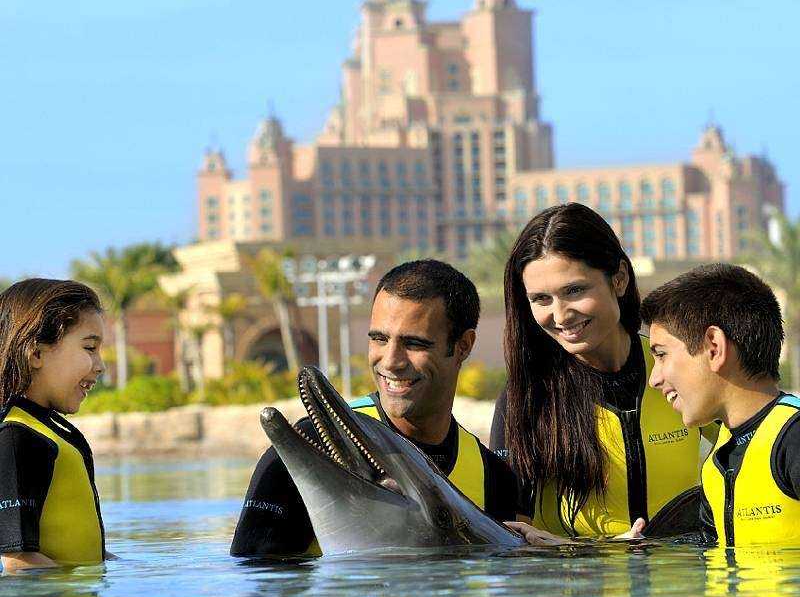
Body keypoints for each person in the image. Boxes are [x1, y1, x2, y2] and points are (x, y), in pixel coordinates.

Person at [231, 259, 520, 557]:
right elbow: (261, 584)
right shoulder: (313, 444)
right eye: (379, 339)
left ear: (463, 345)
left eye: (415, 343)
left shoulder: (494, 478)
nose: (391, 361)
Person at [493, 203, 711, 541]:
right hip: (580, 588)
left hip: (680, 587)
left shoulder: (677, 368)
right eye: (541, 299)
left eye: (574, 290)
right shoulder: (525, 395)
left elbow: (754, 448)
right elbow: (506, 537)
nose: (561, 315)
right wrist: (585, 551)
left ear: (619, 279)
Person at [641, 263, 800, 547]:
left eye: (662, 355)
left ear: (714, 347)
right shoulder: (717, 463)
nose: (654, 379)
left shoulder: (793, 439)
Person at [0, 278, 107, 572]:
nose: (100, 366)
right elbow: (18, 561)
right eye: (89, 348)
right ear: (36, 354)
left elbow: (86, 551)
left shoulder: (55, 432)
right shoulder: (18, 436)